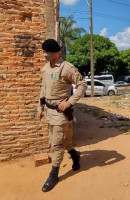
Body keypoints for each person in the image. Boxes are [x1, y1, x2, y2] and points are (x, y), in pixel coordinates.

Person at [37, 39, 87, 192]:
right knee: (63, 140)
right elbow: (43, 90)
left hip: (60, 113)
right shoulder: (46, 68)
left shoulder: (66, 68)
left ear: (56, 52)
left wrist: (70, 102)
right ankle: (74, 154)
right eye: (44, 52)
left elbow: (82, 85)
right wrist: (40, 106)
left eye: (47, 52)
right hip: (48, 111)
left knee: (57, 144)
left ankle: (54, 174)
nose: (45, 54)